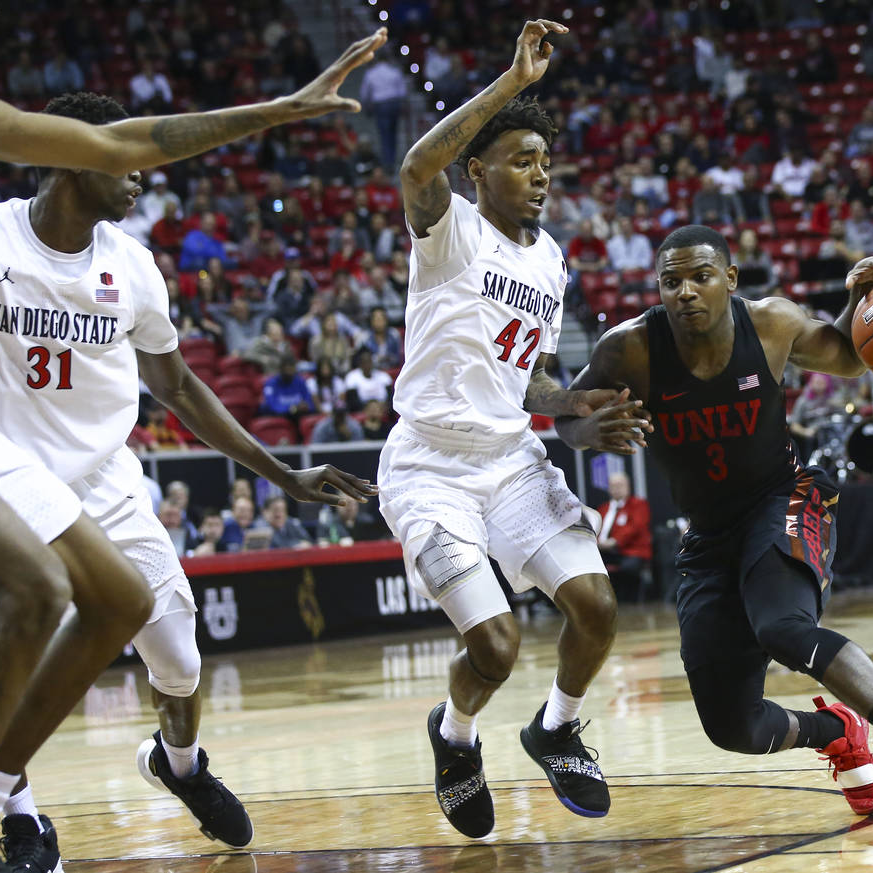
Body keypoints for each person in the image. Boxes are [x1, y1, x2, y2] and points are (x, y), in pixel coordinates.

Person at [0, 13, 385, 871]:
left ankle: (178, 761)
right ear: (80, 156)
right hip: (1, 475)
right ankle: (7, 814)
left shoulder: (135, 266)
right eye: (127, 163)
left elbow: (182, 387)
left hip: (106, 485)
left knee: (176, 654)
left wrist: (283, 473)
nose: (143, 179)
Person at [556, 225, 873, 830]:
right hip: (707, 539)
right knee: (732, 728)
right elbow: (569, 415)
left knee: (784, 627)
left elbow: (848, 355)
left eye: (700, 276)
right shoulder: (629, 349)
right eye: (671, 280)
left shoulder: (771, 323)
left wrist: (860, 299)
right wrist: (587, 431)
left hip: (784, 497)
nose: (685, 291)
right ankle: (834, 731)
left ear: (729, 279)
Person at [378, 20, 650, 840]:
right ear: (479, 171)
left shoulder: (551, 260)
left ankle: (556, 727)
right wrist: (507, 85)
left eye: (544, 162)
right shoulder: (449, 228)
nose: (539, 175)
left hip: (509, 456)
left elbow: (519, 376)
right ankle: (454, 736)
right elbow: (413, 166)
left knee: (596, 606)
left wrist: (576, 408)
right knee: (493, 644)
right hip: (429, 465)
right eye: (520, 160)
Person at [595, 471, 652, 602]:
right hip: (603, 551)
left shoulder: (638, 504)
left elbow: (635, 527)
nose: (616, 488)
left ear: (628, 486)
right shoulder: (603, 508)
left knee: (629, 567)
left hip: (631, 551)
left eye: (620, 485)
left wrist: (614, 542)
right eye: (613, 485)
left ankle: (629, 602)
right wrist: (598, 542)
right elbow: (595, 529)